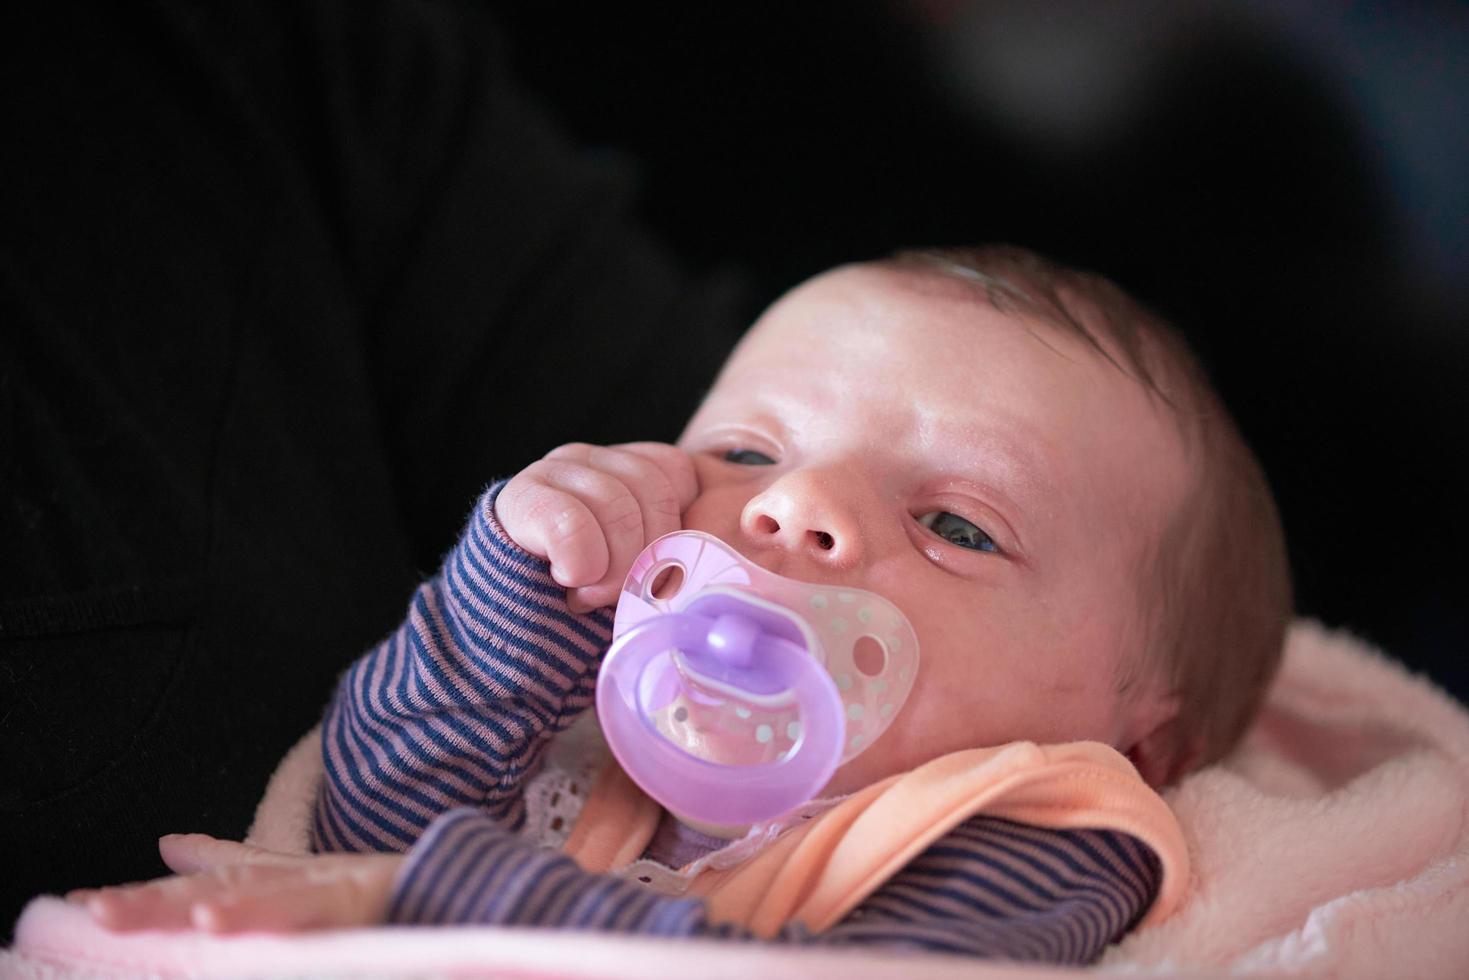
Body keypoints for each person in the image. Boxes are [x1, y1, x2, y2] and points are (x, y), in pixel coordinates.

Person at [69, 246, 1292, 964]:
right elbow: (360, 823)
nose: (793, 505)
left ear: (1141, 739)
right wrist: (518, 590)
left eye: (958, 525)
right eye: (746, 453)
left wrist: (414, 904)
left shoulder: (1042, 825)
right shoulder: (592, 724)